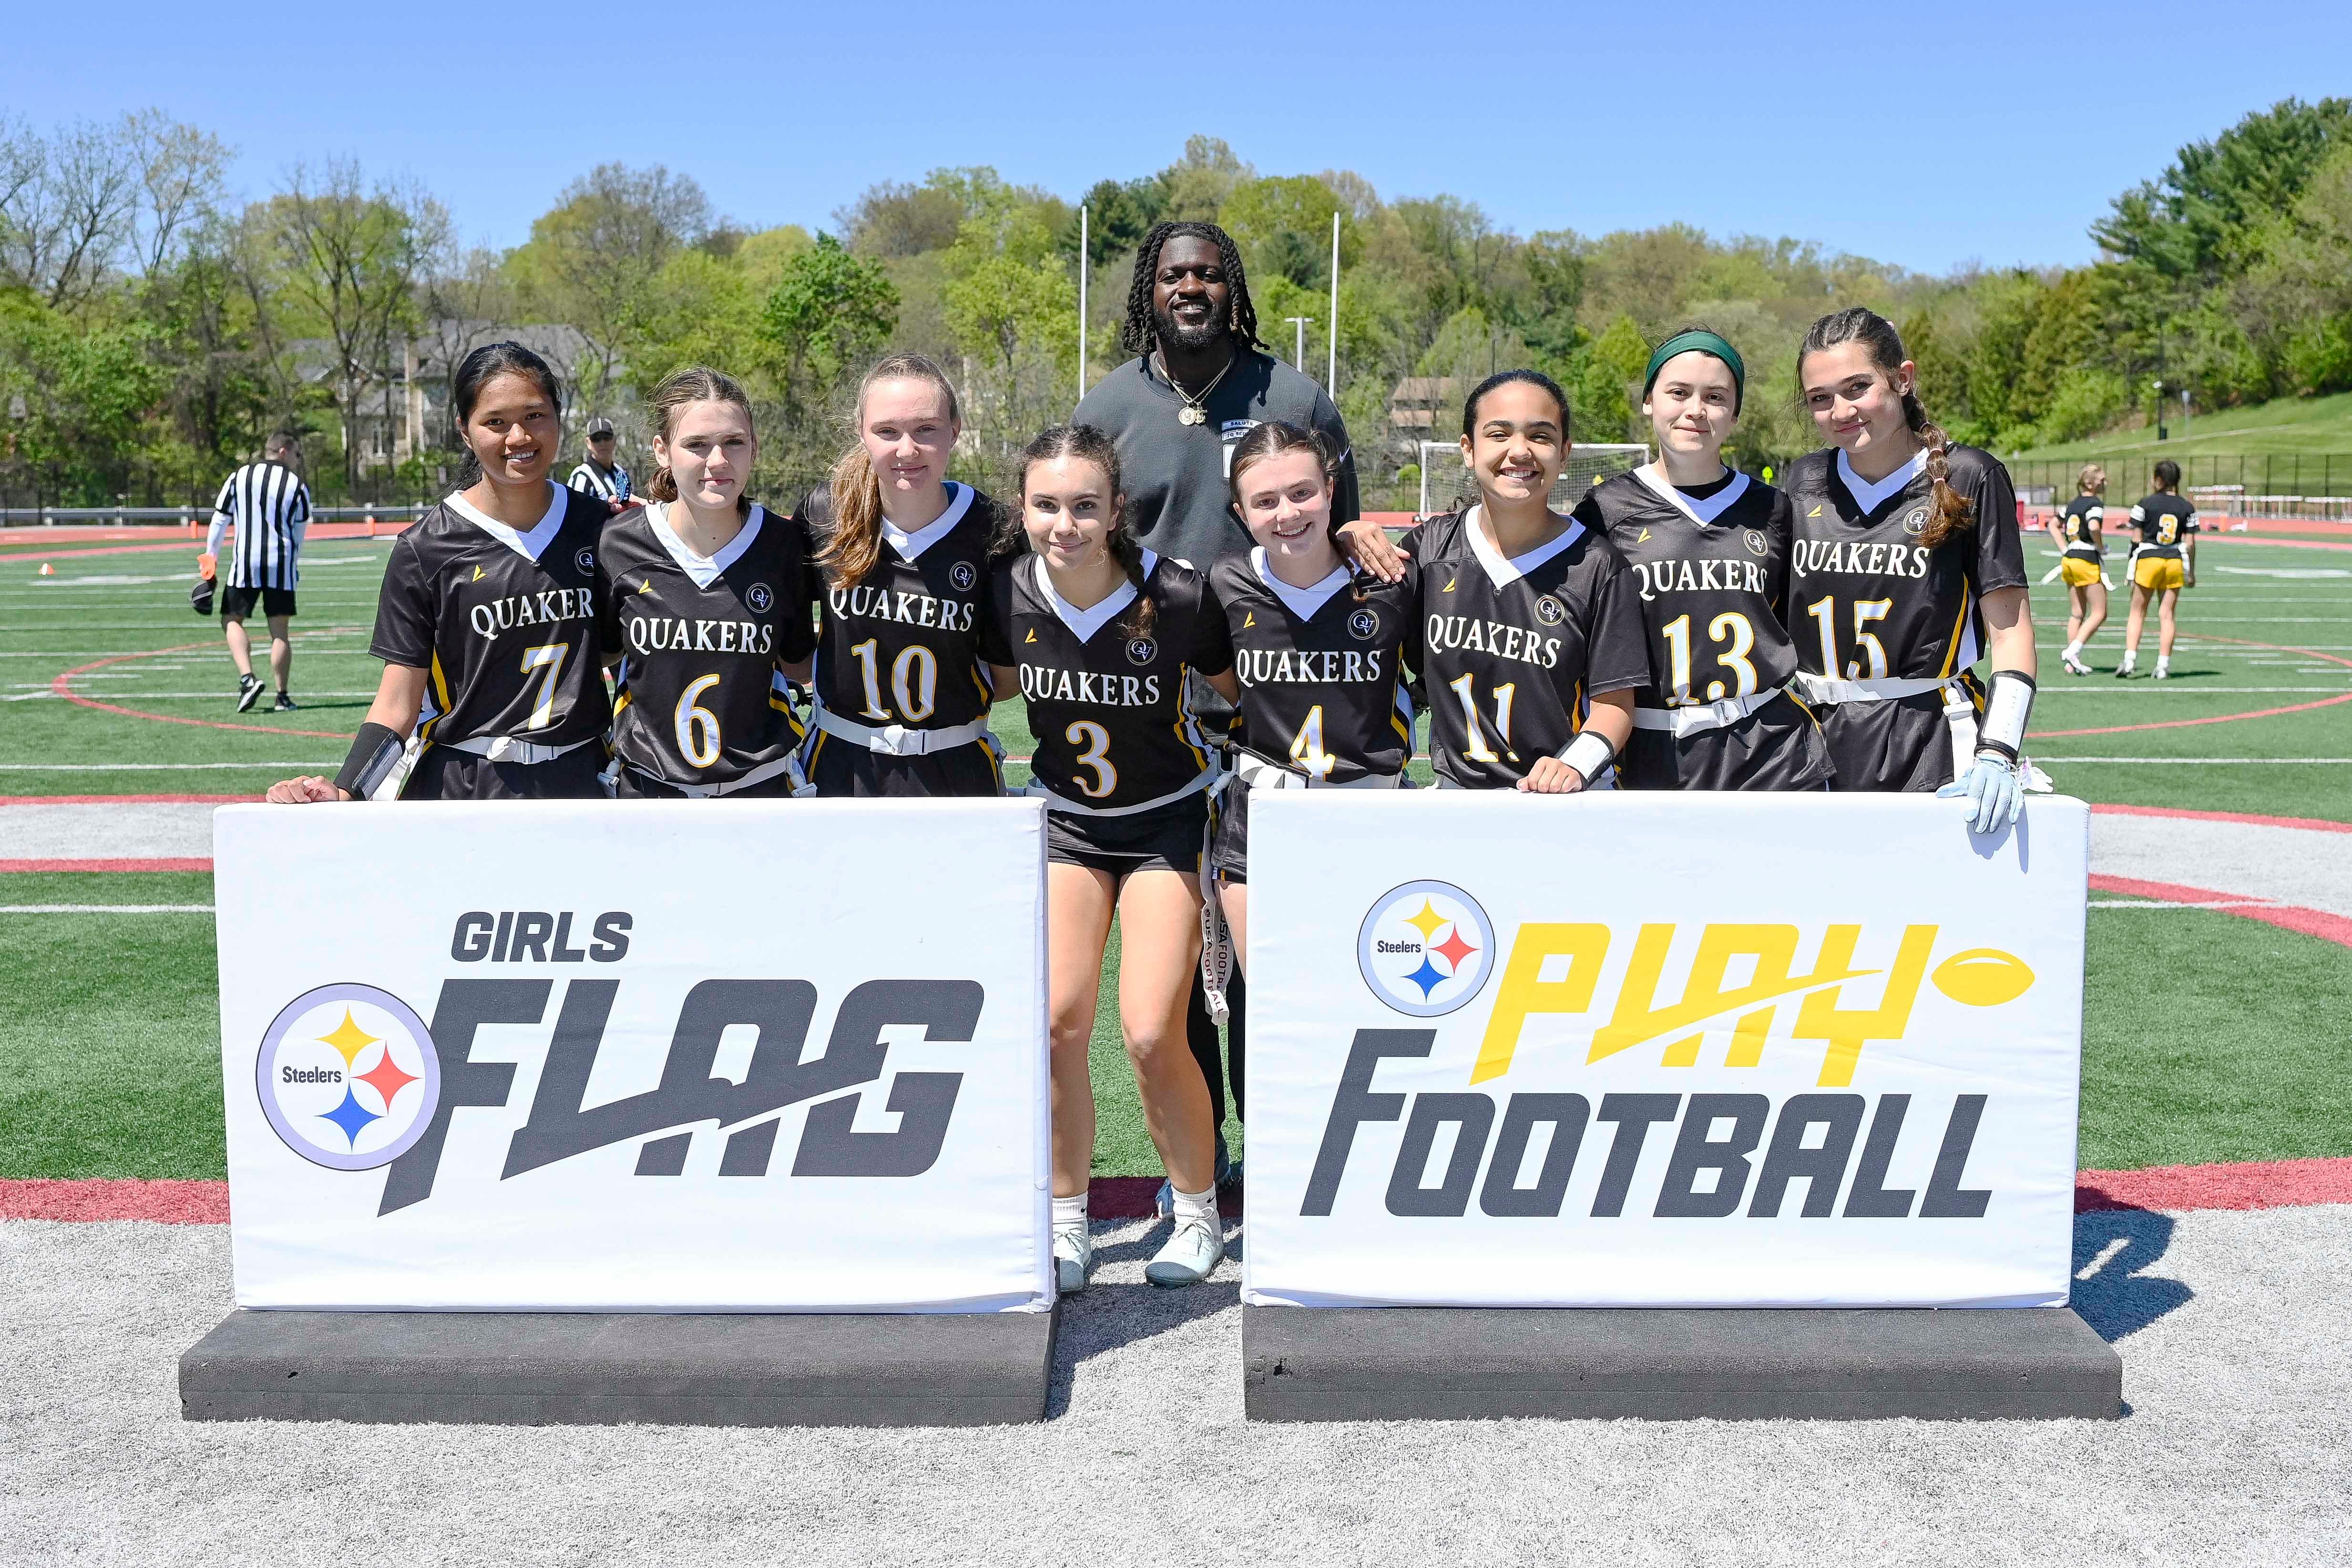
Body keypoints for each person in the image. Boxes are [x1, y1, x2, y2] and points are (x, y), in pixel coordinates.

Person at [1073, 221, 1396, 1164]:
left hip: (1276, 715)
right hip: (1151, 710)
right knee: (1172, 970)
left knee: (1276, 962)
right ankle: (1202, 1161)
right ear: (1151, 286)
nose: (1191, 289)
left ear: (1232, 286)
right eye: (1175, 275)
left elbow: (1345, 526)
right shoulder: (1111, 404)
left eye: (1208, 275)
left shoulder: (1290, 394)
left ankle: (1289, 1148)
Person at [981, 425, 1236, 1291]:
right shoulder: (1006, 589)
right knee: (1056, 1021)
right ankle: (1065, 1218)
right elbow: (987, 680)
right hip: (1064, 826)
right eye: (1047, 505)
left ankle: (1195, 1206)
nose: (1065, 523)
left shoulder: (1173, 592)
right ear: (1022, 508)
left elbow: (1240, 689)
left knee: (1151, 1026)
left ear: (1116, 508)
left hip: (1163, 822)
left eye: (1085, 504)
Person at [264, 342, 609, 804]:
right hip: (465, 788)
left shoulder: (602, 527)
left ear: (558, 417)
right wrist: (348, 789)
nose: (519, 437)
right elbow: (398, 702)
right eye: (495, 422)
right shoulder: (425, 548)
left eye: (534, 416)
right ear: (464, 431)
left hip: (580, 783)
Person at [1786, 308, 2036, 833]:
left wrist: (1998, 748)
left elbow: (2010, 631)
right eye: (1819, 398)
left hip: (1932, 738)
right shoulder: (1803, 479)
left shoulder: (1971, 475)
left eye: (1857, 387)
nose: (1840, 410)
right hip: (1813, 737)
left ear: (1901, 379)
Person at [1570, 332, 1835, 791]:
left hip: (1770, 750)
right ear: (1649, 400)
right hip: (1651, 749)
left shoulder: (1774, 508)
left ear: (1734, 414)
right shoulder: (1604, 509)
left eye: (1715, 397)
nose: (1696, 409)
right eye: (1678, 392)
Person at [1207, 421, 1419, 976]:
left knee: (1372, 993)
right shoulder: (1223, 584)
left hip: (1374, 813)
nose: (1287, 513)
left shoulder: (1391, 580)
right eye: (1265, 501)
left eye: (1302, 493)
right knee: (1277, 1003)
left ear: (1329, 489)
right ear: (1238, 511)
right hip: (1261, 817)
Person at [1411, 369, 1647, 791]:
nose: (1519, 451)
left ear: (1565, 451)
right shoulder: (1429, 549)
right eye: (1499, 434)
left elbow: (1616, 706)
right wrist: (1348, 535)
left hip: (1565, 805)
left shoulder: (1598, 565)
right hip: (1457, 803)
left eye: (1540, 436)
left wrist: (1575, 765)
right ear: (1469, 449)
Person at [790, 354, 1005, 798]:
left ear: (956, 430)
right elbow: (791, 655)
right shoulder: (825, 514)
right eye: (887, 431)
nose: (907, 450)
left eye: (926, 429)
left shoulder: (994, 529)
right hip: (841, 765)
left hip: (958, 765)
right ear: (861, 433)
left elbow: (1007, 679)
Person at [597, 368, 818, 797]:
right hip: (647, 792)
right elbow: (605, 653)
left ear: (754, 447)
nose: (717, 461)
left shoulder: (784, 545)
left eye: (733, 442)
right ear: (662, 451)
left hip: (760, 792)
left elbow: (797, 664)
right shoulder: (619, 543)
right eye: (696, 445)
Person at [205, 431, 311, 713]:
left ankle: (247, 677)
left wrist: (210, 558)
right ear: (284, 452)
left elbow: (219, 520)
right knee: (280, 633)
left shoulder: (239, 476)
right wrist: (294, 566)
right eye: (298, 455)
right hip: (282, 563)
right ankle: (282, 697)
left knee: (232, 619)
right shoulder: (296, 485)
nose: (299, 462)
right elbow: (299, 533)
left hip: (245, 562)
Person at [2117, 459, 2198, 680]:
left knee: (2137, 612)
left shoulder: (2145, 504)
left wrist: (2131, 567)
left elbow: (2136, 539)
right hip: (2173, 560)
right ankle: (2163, 665)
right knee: (2167, 615)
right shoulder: (2186, 506)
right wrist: (2191, 572)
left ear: (2159, 479)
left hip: (2148, 559)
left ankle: (2130, 660)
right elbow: (2190, 543)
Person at [2049, 464, 2109, 676]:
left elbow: (2053, 524)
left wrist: (2065, 548)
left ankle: (2071, 662)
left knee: (2077, 613)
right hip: (2086, 559)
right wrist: (2101, 547)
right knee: (2100, 612)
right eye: (2101, 480)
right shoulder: (2094, 504)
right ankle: (2072, 652)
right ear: (2089, 483)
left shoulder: (2073, 504)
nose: (2105, 483)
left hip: (2070, 559)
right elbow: (2094, 527)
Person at [568, 416, 633, 513]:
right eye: (596, 439)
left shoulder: (621, 472)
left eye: (607, 437)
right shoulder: (582, 475)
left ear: (614, 440)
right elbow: (574, 514)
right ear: (588, 443)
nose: (602, 442)